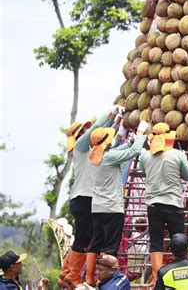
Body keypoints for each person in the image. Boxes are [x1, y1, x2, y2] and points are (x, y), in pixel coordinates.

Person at [59, 105, 121, 289]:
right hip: (84, 198)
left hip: (84, 199)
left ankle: (66, 274)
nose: (87, 130)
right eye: (83, 130)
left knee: (85, 237)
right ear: (79, 135)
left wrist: (116, 121)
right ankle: (73, 276)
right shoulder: (80, 146)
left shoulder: (92, 151)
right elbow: (96, 131)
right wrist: (110, 113)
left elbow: (104, 136)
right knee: (85, 238)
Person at [86, 120, 148, 286]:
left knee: (96, 243)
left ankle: (90, 278)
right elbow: (134, 152)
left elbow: (117, 150)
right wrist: (141, 133)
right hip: (112, 208)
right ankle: (106, 282)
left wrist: (128, 141)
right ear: (106, 143)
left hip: (97, 207)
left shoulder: (92, 155)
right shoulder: (109, 158)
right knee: (110, 247)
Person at [139, 123, 188, 284]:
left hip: (154, 205)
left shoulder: (145, 156)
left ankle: (157, 279)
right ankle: (179, 278)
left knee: (156, 242)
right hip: (174, 204)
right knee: (178, 241)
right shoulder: (177, 154)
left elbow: (144, 172)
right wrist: (183, 158)